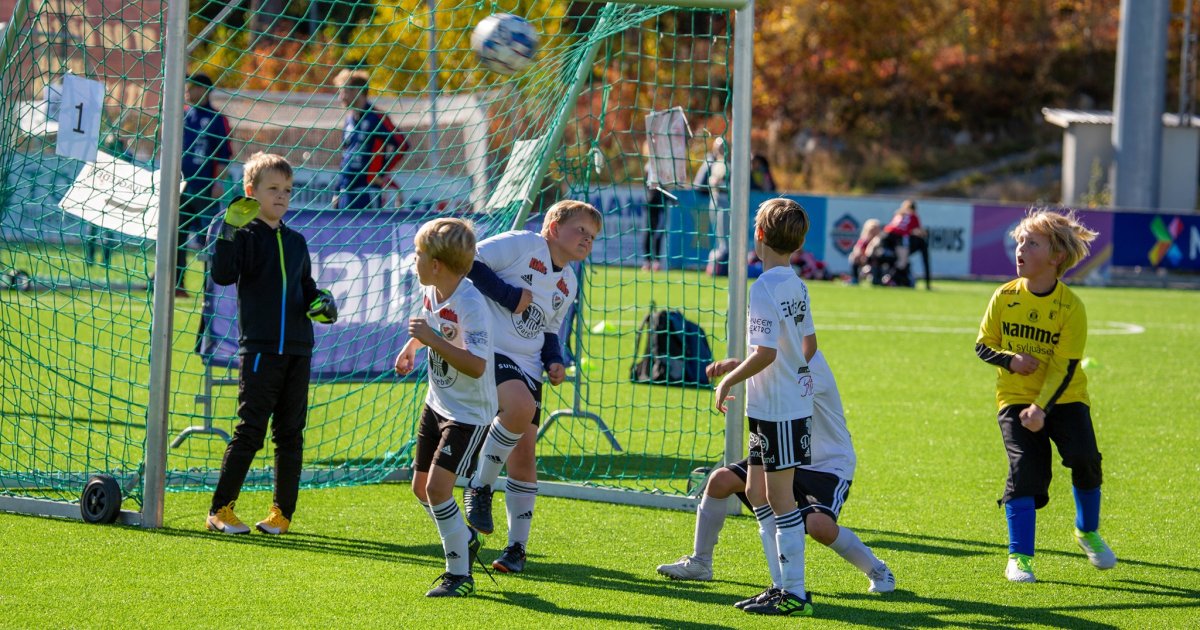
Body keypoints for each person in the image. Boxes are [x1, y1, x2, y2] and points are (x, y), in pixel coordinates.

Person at [656, 349, 895, 598]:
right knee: (720, 481)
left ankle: (877, 570)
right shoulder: (782, 354)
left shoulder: (811, 364)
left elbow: (781, 379)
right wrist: (738, 367)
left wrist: (733, 374)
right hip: (784, 450)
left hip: (826, 464)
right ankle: (700, 563)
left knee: (819, 527)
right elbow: (772, 368)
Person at [461, 200, 603, 574]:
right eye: (581, 230)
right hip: (488, 348)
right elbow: (468, 262)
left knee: (524, 458)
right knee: (519, 407)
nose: (587, 239)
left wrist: (554, 360)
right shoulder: (522, 244)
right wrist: (509, 296)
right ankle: (479, 486)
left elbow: (550, 329)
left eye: (592, 236)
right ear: (553, 228)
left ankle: (515, 549)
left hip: (528, 364)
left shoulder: (569, 282)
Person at [974, 208, 1113, 583]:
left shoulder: (1071, 307)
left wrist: (1041, 408)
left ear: (1056, 257)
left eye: (1031, 243)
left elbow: (1065, 369)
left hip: (1065, 397)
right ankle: (1020, 558)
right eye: (1019, 241)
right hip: (1015, 398)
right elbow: (983, 346)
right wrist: (1010, 359)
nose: (1019, 248)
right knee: (1026, 471)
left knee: (1085, 459)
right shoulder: (1003, 297)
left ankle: (1087, 532)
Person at [205, 152, 338, 536]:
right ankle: (220, 510)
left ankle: (281, 514)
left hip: (298, 350)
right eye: (273, 189)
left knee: (290, 435)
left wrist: (323, 304)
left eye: (287, 190)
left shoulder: (296, 241)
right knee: (249, 431)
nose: (281, 196)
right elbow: (223, 274)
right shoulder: (244, 236)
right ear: (251, 192)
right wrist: (228, 230)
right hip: (260, 350)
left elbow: (308, 290)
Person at [707, 197, 816, 617]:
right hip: (774, 404)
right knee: (755, 491)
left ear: (759, 236)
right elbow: (809, 342)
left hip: (781, 406)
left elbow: (766, 353)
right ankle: (778, 584)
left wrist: (729, 379)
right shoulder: (796, 283)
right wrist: (799, 368)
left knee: (781, 498)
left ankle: (797, 592)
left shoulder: (765, 286)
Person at [393, 218, 496, 598]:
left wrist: (431, 340)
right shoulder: (431, 290)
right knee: (421, 488)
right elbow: (430, 331)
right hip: (436, 403)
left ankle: (460, 576)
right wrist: (411, 348)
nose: (413, 260)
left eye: (418, 254)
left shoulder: (471, 303)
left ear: (436, 264)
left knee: (439, 489)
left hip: (469, 414)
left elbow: (477, 364)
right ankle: (463, 537)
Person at [178, 72, 233, 298]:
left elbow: (224, 154)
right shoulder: (182, 115)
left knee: (207, 240)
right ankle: (176, 284)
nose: (188, 92)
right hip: (180, 187)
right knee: (175, 237)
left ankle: (209, 288)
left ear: (204, 90)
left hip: (205, 189)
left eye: (192, 88)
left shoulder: (217, 119)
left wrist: (218, 182)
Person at [332, 69, 409, 211]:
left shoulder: (376, 117)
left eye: (344, 92)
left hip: (367, 191)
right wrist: (337, 189)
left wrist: (381, 173)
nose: (340, 97)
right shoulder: (349, 120)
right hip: (346, 190)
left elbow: (402, 144)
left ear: (357, 91)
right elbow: (346, 156)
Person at [877, 199, 924, 287]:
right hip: (898, 236)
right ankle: (888, 279)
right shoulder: (913, 216)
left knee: (891, 258)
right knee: (902, 262)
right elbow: (919, 231)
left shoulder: (899, 214)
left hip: (885, 235)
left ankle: (886, 277)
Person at [642, 140, 666, 272]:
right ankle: (647, 261)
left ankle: (656, 260)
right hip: (651, 202)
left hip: (661, 203)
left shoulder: (663, 165)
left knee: (658, 232)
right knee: (649, 231)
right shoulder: (649, 167)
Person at [848, 219, 882, 285]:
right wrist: (863, 256)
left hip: (876, 260)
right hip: (865, 260)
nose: (873, 232)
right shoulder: (864, 240)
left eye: (875, 230)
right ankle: (855, 278)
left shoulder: (880, 240)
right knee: (853, 256)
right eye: (871, 230)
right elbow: (857, 250)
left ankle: (876, 280)